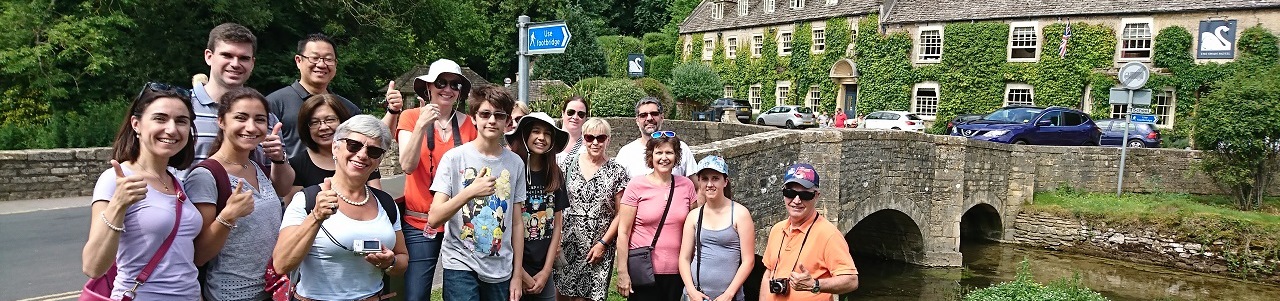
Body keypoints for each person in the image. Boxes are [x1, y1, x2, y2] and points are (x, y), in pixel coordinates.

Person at [82, 82, 200, 300]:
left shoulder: (175, 181)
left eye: (181, 121)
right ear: (136, 124)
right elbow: (93, 266)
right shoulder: (115, 180)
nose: (172, 129)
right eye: (160, 118)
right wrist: (118, 205)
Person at [273, 115, 408, 301]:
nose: (362, 154)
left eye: (374, 151)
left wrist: (390, 262)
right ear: (335, 148)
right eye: (354, 145)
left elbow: (402, 260)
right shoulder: (307, 200)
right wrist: (316, 217)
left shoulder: (385, 203)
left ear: (379, 160)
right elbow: (281, 264)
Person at [427, 85, 527, 301]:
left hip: (500, 266)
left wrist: (517, 274)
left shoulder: (515, 164)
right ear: (473, 118)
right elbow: (434, 218)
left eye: (499, 115)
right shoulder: (454, 159)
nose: (492, 120)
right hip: (460, 262)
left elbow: (517, 223)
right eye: (485, 114)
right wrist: (470, 192)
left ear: (508, 122)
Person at [184, 87, 284, 301]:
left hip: (271, 291)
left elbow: (285, 187)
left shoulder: (257, 167)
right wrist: (227, 216)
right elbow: (199, 254)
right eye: (241, 117)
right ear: (221, 121)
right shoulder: (205, 176)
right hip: (232, 294)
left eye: (259, 119)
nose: (251, 127)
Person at [396, 58, 477, 301]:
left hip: (461, 224)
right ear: (429, 87)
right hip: (420, 223)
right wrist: (422, 126)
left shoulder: (470, 125)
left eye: (455, 85)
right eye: (441, 83)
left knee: (460, 294)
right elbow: (407, 166)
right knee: (416, 295)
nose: (448, 89)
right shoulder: (410, 118)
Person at [188, 23, 294, 192]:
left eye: (244, 58)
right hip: (196, 212)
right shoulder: (183, 109)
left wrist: (279, 159)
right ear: (209, 56)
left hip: (254, 213)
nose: (235, 64)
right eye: (227, 55)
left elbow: (282, 189)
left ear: (252, 63)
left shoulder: (266, 118)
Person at [267, 33, 402, 160]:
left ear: (335, 64)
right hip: (292, 182)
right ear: (298, 60)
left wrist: (393, 110)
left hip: (339, 182)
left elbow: (377, 138)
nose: (321, 64)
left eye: (328, 59)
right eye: (314, 58)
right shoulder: (275, 103)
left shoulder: (347, 108)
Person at [615, 132, 698, 301]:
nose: (664, 158)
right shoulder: (636, 186)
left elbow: (693, 228)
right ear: (650, 156)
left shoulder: (686, 186)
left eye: (669, 152)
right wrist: (622, 271)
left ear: (676, 156)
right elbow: (623, 232)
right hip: (644, 271)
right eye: (659, 153)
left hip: (678, 271)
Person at [555, 117, 630, 301]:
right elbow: (556, 204)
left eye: (601, 138)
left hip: (598, 246)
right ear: (583, 138)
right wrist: (556, 239)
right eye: (590, 137)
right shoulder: (567, 164)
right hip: (568, 244)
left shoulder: (617, 171)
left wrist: (604, 244)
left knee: (589, 297)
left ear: (608, 140)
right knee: (562, 294)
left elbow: (621, 213)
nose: (595, 142)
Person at [759, 164, 859, 301]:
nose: (796, 200)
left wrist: (814, 284)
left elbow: (851, 280)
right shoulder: (777, 229)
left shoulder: (828, 235)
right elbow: (768, 274)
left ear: (816, 196)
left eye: (805, 194)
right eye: (790, 193)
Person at [506, 112, 571, 301]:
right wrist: (520, 273)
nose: (541, 138)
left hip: (543, 268)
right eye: (536, 131)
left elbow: (557, 225)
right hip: (512, 267)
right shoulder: (512, 171)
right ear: (525, 135)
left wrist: (546, 271)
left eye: (547, 133)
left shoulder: (555, 174)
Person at [678, 156, 755, 301]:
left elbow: (748, 260)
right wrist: (691, 290)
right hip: (696, 295)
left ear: (725, 181)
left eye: (715, 178)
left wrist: (729, 294)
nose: (709, 184)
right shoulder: (694, 216)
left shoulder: (740, 214)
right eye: (705, 179)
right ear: (699, 181)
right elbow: (684, 257)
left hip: (728, 296)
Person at [288, 94, 383, 203]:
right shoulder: (297, 164)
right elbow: (294, 211)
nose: (323, 127)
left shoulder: (362, 157)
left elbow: (377, 200)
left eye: (330, 120)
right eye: (314, 122)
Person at [615, 97, 696, 178]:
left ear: (662, 117)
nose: (649, 118)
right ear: (637, 120)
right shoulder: (625, 153)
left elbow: (697, 187)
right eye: (643, 115)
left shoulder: (681, 148)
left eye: (654, 114)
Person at [555, 96, 589, 163]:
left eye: (581, 114)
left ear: (585, 118)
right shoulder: (550, 142)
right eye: (570, 112)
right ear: (563, 113)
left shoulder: (589, 146)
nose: (575, 117)